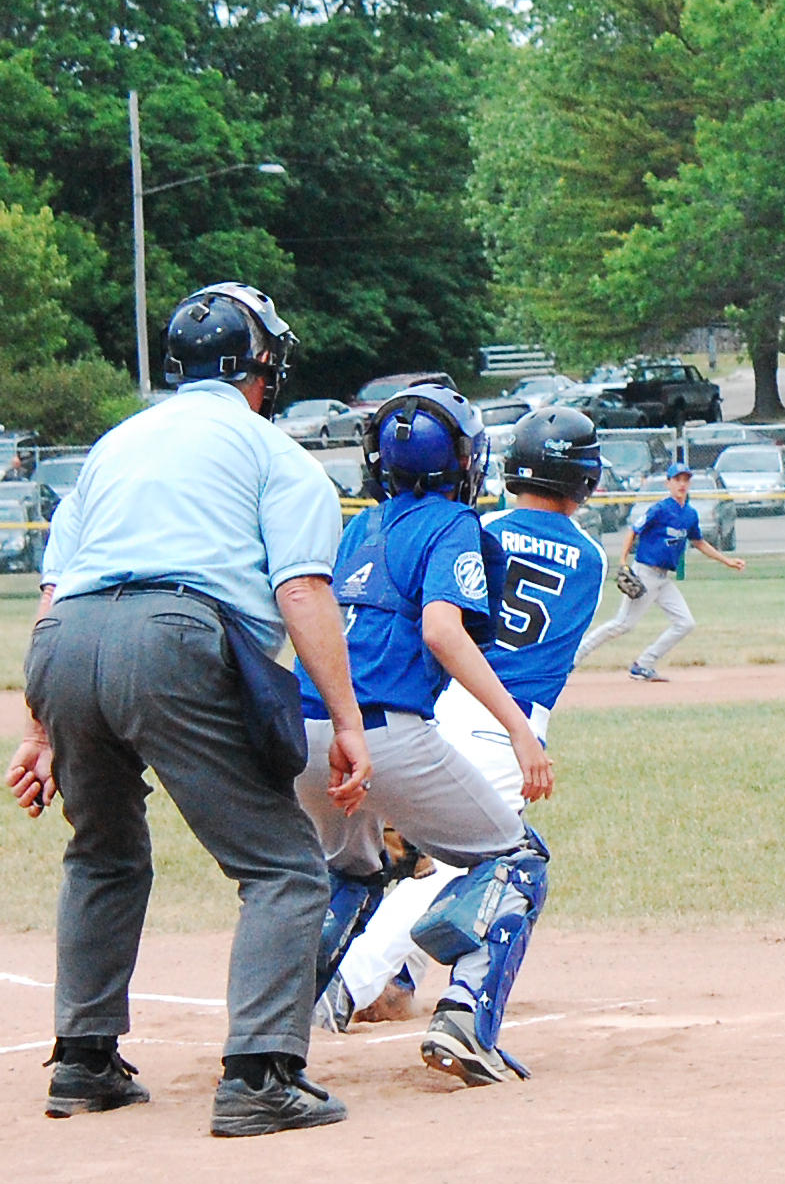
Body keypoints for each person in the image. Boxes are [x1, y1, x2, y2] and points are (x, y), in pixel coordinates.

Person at [6, 282, 371, 1136]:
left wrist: (39, 728)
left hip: (66, 645)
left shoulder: (115, 445)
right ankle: (259, 1078)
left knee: (103, 853)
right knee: (283, 868)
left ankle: (84, 1062)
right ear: (263, 366)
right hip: (174, 637)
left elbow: (57, 590)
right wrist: (348, 722)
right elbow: (302, 590)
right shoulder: (275, 453)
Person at [294, 384, 556, 1088]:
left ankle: (280, 1028)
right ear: (465, 460)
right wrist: (518, 730)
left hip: (307, 734)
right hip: (382, 734)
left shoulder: (361, 526)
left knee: (351, 873)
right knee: (516, 860)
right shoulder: (451, 523)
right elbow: (442, 631)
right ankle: (466, 1019)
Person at [319, 407, 606, 1029]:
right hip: (508, 720)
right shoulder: (590, 556)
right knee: (475, 867)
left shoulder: (481, 525)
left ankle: (396, 981)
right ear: (585, 479)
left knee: (432, 858)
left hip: (438, 703)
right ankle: (346, 986)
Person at [574, 460, 744, 681]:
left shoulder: (689, 514)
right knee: (622, 624)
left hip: (662, 579)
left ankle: (644, 664)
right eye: (677, 479)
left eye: (686, 480)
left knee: (685, 623)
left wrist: (726, 561)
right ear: (668, 483)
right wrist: (623, 561)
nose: (682, 484)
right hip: (645, 573)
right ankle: (572, 659)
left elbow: (699, 542)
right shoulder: (660, 509)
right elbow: (633, 531)